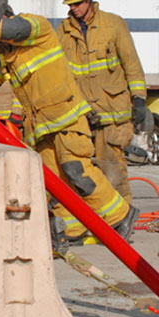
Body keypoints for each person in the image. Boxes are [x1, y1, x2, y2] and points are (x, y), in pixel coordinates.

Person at [0, 8, 139, 250]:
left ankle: (121, 215)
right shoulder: (4, 55)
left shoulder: (38, 28)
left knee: (76, 170)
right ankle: (73, 228)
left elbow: (10, 29)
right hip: (42, 128)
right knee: (55, 183)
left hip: (68, 119)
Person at [56, 0, 148, 204]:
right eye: (70, 5)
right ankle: (91, 219)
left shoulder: (113, 24)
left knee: (113, 173)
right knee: (80, 176)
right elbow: (62, 75)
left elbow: (131, 64)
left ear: (89, 1)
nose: (73, 8)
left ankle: (121, 218)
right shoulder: (63, 31)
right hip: (82, 117)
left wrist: (139, 99)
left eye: (77, 3)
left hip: (112, 116)